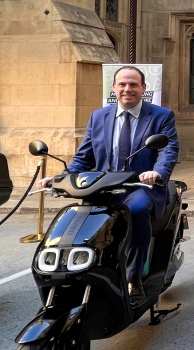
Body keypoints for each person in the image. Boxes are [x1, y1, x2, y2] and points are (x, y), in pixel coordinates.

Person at [35, 66, 179, 308]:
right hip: (102, 187)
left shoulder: (161, 116)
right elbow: (84, 157)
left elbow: (168, 150)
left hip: (138, 187)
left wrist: (157, 172)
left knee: (136, 211)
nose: (127, 89)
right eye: (122, 84)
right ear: (114, 88)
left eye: (133, 84)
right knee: (80, 220)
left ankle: (134, 279)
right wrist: (60, 179)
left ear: (144, 88)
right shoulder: (98, 117)